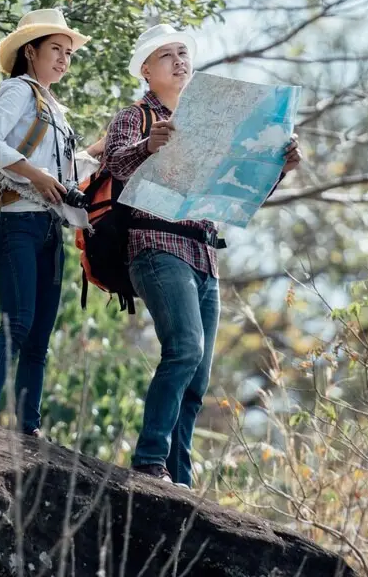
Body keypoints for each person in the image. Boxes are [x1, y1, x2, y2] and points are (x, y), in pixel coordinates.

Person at [102, 24, 302, 487]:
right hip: (156, 245)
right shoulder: (137, 118)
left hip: (204, 254)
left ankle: (179, 475)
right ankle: (150, 459)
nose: (179, 61)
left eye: (182, 53)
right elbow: (115, 162)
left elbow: (235, 191)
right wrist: (148, 145)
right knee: (185, 348)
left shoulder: (213, 121)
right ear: (146, 72)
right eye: (166, 55)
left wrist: (279, 169)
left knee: (198, 376)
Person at [0, 8, 90, 436]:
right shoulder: (19, 89)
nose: (63, 59)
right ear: (30, 51)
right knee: (18, 321)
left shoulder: (56, 109)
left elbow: (66, 171)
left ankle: (29, 427)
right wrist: (36, 175)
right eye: (55, 49)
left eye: (69, 53)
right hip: (17, 218)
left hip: (49, 226)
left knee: (40, 335)